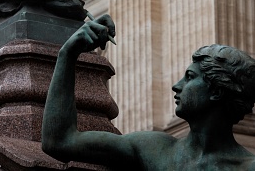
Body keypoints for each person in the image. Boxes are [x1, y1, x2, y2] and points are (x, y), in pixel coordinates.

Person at [42, 14, 255, 170]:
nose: (176, 85)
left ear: (217, 91)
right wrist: (68, 54)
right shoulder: (153, 149)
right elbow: (58, 141)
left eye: (190, 77)